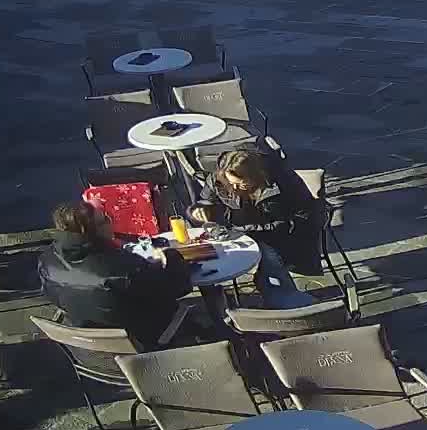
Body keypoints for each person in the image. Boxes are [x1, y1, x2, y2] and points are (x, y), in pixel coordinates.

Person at [38, 201, 198, 348]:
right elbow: (178, 287)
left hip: (91, 340)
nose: (111, 221)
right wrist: (170, 257)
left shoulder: (47, 260)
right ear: (94, 231)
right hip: (141, 339)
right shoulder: (122, 269)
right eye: (105, 219)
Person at [192, 148, 318, 309]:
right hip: (236, 233)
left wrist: (248, 231)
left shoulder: (282, 180)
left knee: (268, 258)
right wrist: (200, 210)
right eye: (230, 184)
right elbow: (205, 201)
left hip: (278, 236)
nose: (234, 189)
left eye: (241, 184)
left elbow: (302, 217)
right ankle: (218, 307)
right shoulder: (218, 178)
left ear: (256, 176)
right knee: (202, 256)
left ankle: (288, 305)